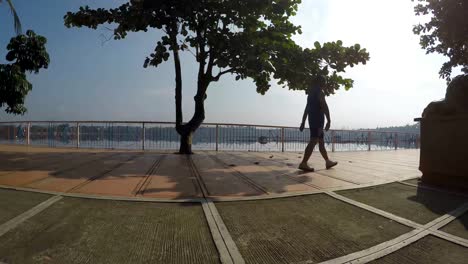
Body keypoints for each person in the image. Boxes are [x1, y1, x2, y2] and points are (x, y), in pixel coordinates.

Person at [298, 78, 338, 171]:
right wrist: (329, 120)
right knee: (313, 141)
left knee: (321, 142)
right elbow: (324, 105)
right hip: (318, 121)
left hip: (312, 120)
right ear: (321, 83)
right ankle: (303, 163)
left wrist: (303, 122)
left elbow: (306, 108)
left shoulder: (310, 94)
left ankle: (328, 161)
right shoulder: (320, 92)